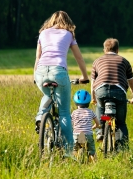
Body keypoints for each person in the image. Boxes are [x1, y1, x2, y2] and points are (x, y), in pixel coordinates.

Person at [34, 11, 89, 157]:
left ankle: (40, 116)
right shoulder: (69, 33)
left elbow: (38, 57)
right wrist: (84, 76)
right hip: (59, 71)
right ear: (67, 21)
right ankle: (69, 152)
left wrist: (35, 77)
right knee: (64, 112)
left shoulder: (43, 33)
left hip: (40, 72)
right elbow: (79, 58)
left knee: (47, 95)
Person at [90, 38, 133, 150]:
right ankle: (121, 149)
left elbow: (93, 83)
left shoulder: (97, 61)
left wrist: (93, 98)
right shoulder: (124, 61)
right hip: (119, 91)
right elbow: (131, 82)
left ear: (104, 49)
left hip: (101, 90)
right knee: (121, 122)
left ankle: (101, 130)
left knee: (100, 107)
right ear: (117, 50)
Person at [71, 89, 100, 162]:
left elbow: (71, 124)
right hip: (88, 134)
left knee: (74, 150)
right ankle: (94, 162)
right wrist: (93, 127)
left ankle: (74, 162)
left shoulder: (74, 113)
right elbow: (97, 123)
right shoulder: (90, 112)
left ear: (76, 103)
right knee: (92, 151)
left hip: (76, 134)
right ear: (88, 103)